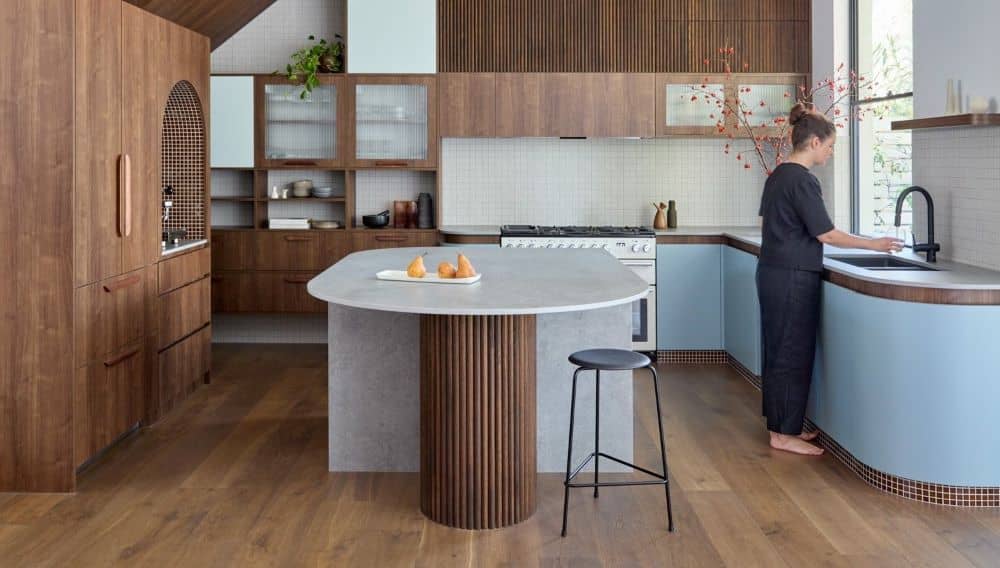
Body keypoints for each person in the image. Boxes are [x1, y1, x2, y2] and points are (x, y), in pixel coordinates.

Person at [757, 102, 903, 455]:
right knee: (791, 351)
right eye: (831, 145)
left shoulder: (778, 174)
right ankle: (783, 435)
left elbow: (769, 225)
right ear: (813, 143)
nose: (832, 152)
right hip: (792, 277)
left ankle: (781, 427)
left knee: (778, 349)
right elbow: (826, 234)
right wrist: (875, 244)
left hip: (772, 272)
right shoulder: (803, 180)